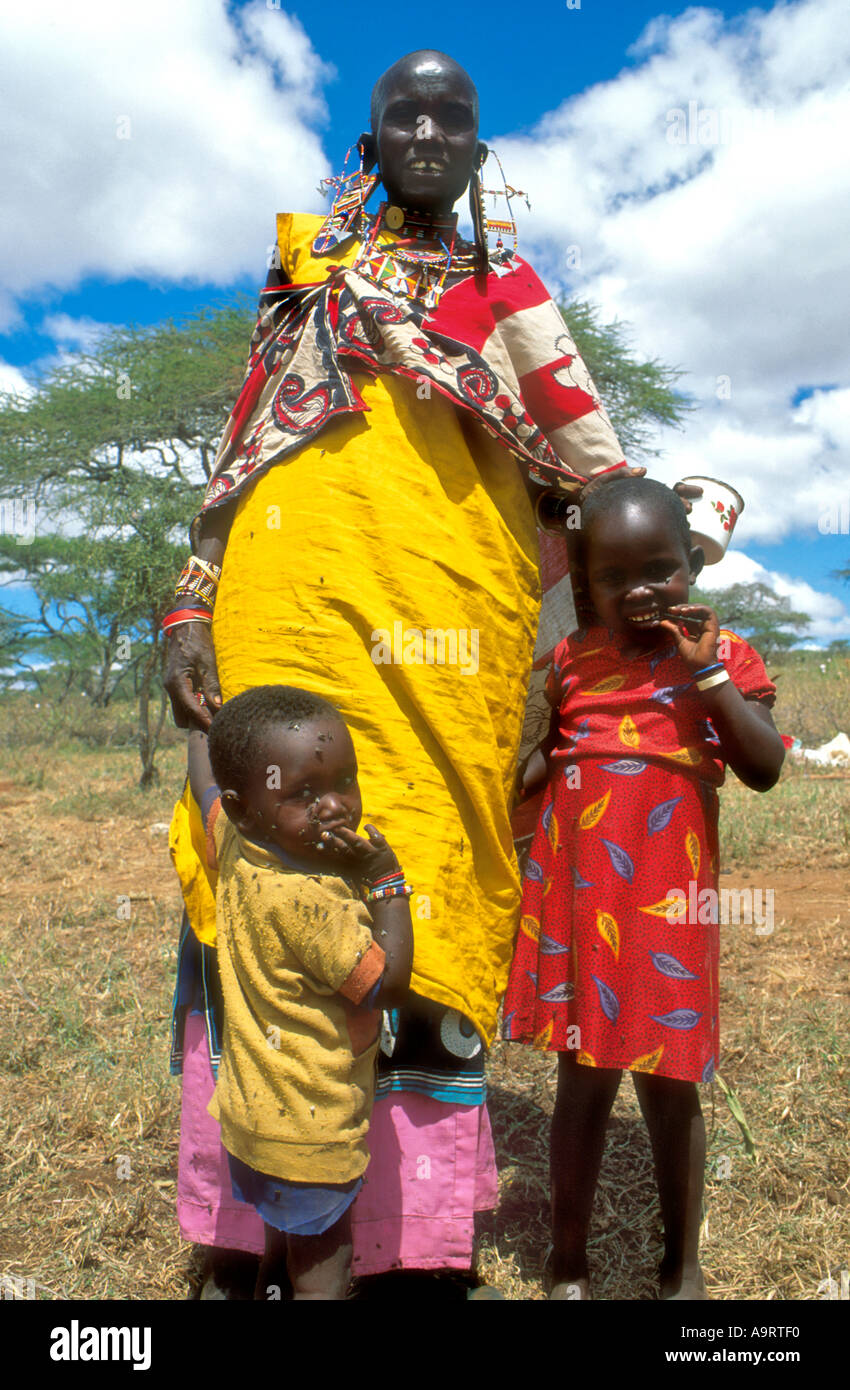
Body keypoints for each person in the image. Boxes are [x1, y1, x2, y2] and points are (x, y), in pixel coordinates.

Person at [166, 48, 636, 1295]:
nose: (428, 130)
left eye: (454, 118)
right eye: (401, 116)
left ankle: (402, 1248)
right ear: (366, 148)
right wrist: (190, 603)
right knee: (264, 892)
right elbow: (240, 452)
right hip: (286, 625)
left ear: (482, 153)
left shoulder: (514, 293)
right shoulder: (307, 277)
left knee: (417, 902)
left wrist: (570, 675)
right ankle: (247, 1226)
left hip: (454, 646)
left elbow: (595, 478)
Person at [502, 477, 785, 1300]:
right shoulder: (571, 662)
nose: (639, 592)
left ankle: (682, 1267)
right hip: (582, 899)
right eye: (613, 577)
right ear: (583, 584)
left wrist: (708, 680)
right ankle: (567, 1262)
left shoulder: (723, 657)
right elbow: (542, 763)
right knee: (581, 1082)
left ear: (692, 564)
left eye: (659, 569)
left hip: (668, 903)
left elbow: (762, 767)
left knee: (671, 1086)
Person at [189, 685, 413, 1299]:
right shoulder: (314, 906)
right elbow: (386, 986)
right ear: (246, 808)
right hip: (313, 1132)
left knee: (281, 1236)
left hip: (250, 1118)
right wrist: (387, 884)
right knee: (325, 1274)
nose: (336, 807)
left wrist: (199, 730)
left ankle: (267, 1286)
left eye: (345, 780)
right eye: (304, 795)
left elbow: (207, 786)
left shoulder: (234, 847)